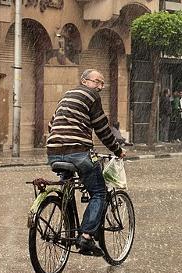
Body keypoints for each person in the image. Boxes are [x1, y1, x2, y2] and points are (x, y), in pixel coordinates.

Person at [46, 69, 126, 256]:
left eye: (102, 83)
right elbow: (102, 129)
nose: (100, 86)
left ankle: (65, 214)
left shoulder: (67, 96)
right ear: (84, 81)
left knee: (67, 185)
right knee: (98, 192)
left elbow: (52, 124)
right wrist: (117, 150)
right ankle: (86, 237)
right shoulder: (91, 96)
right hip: (78, 153)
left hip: (54, 152)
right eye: (97, 81)